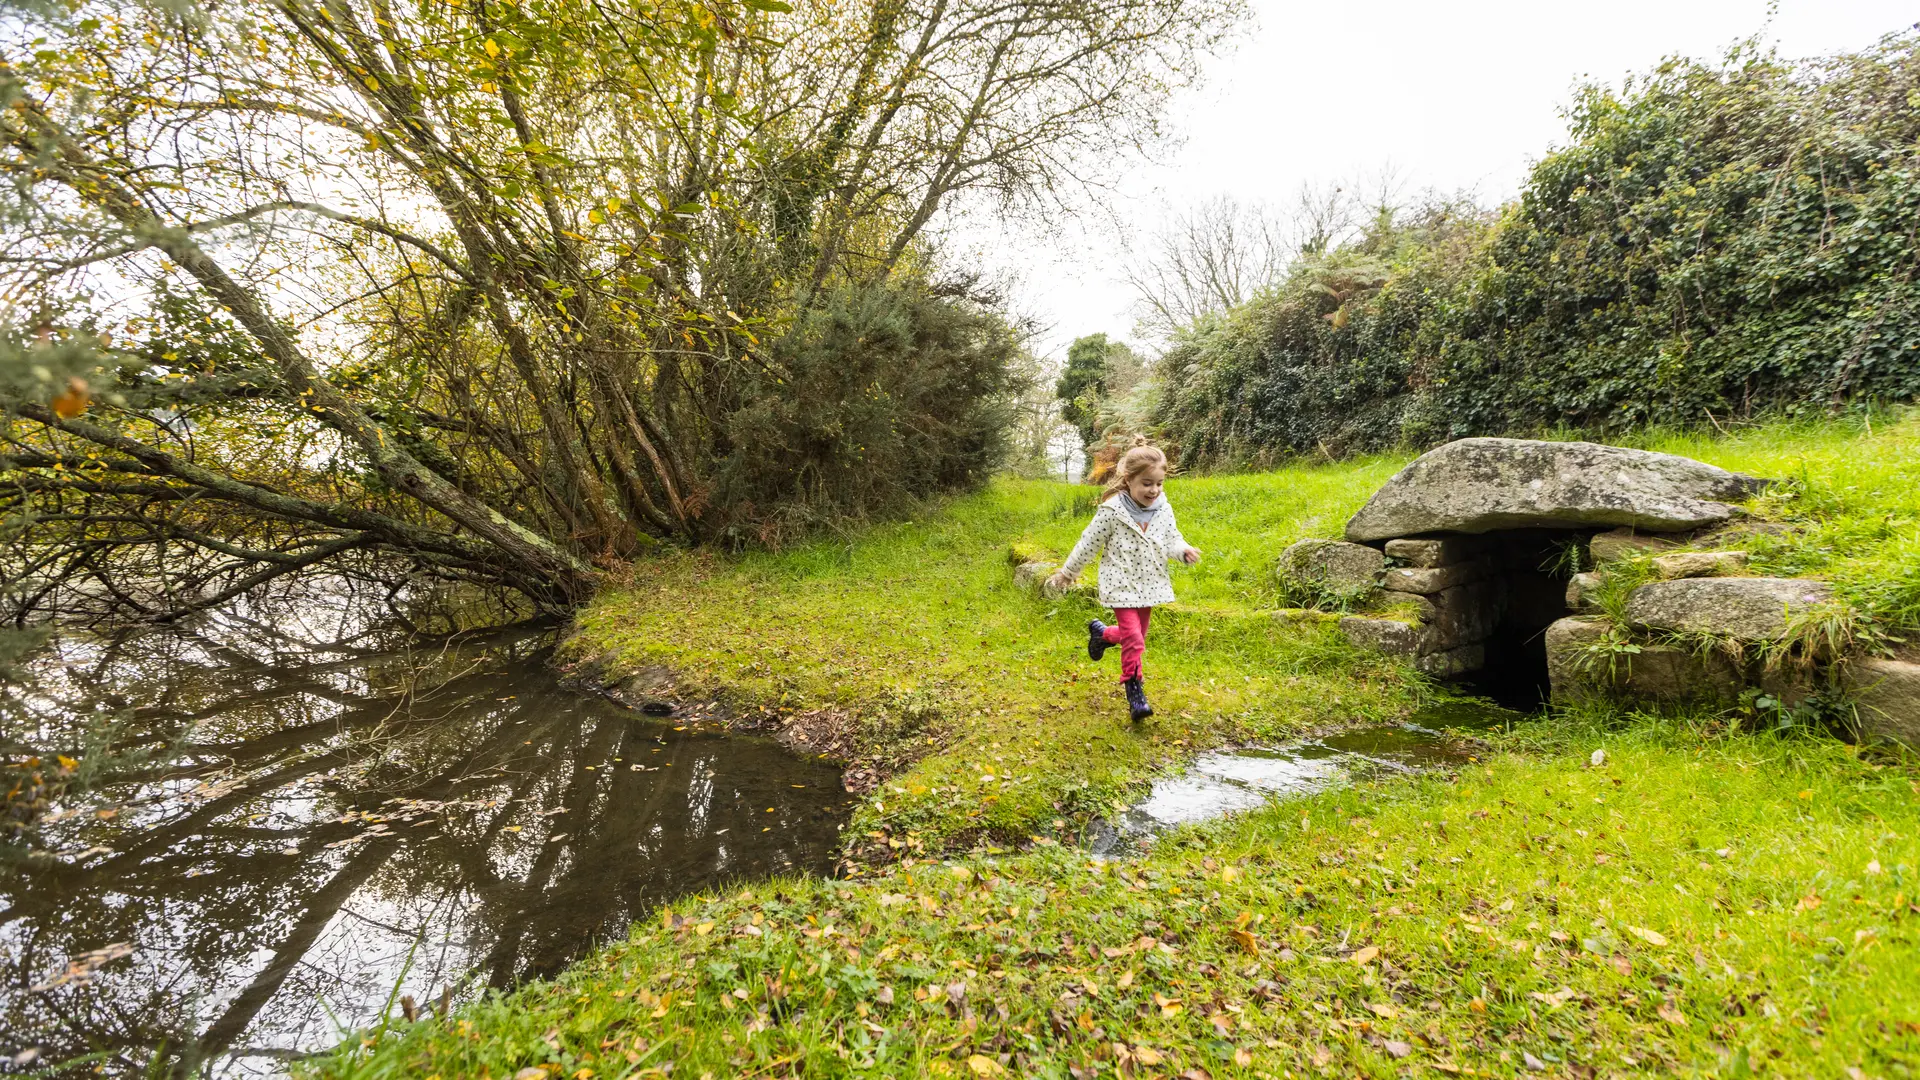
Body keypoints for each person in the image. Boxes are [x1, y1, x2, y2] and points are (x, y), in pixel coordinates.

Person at [1048, 440, 1201, 721]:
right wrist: (1067, 573)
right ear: (1129, 480)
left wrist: (1183, 551)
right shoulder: (1112, 512)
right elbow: (1088, 545)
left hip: (1150, 584)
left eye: (1159, 484)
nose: (1153, 490)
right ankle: (1134, 688)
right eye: (1146, 483)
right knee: (1134, 638)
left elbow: (1171, 539)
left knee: (1137, 636)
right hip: (1120, 584)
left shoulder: (1163, 509)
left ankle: (1103, 635)